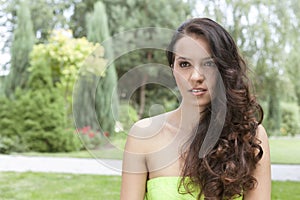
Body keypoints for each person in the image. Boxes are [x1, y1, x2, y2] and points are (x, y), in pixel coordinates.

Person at [120, 17, 271, 200]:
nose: (195, 76)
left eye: (209, 64)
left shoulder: (250, 136)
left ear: (225, 69)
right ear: (172, 69)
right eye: (184, 64)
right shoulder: (143, 136)